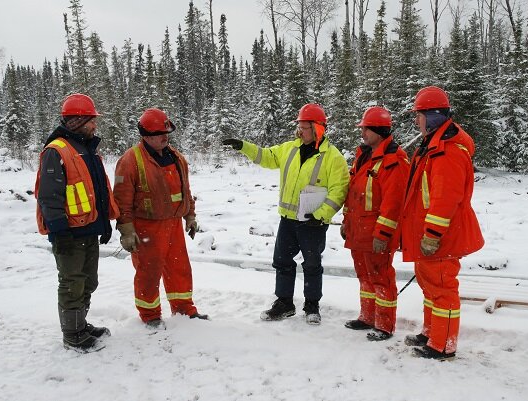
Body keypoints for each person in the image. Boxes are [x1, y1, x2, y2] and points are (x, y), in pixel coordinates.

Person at [222, 103, 349, 324]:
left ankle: (312, 306)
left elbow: (340, 190)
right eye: (298, 126)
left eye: (304, 127)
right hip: (288, 220)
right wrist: (244, 146)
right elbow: (266, 156)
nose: (300, 131)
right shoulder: (289, 149)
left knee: (311, 265)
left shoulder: (333, 157)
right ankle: (284, 303)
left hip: (314, 222)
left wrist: (320, 214)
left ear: (318, 128)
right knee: (282, 262)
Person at [401, 86, 484, 360]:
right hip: (430, 234)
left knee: (442, 290)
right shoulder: (433, 147)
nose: (416, 121)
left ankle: (443, 345)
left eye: (420, 115)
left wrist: (432, 233)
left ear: (433, 116)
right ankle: (431, 332)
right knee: (430, 287)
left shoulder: (447, 152)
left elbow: (445, 198)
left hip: (440, 236)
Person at [35, 93, 119, 352]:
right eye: (91, 120)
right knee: (72, 283)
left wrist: (104, 224)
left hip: (89, 229)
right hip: (69, 234)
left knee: (88, 281)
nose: (95, 125)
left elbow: (97, 191)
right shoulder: (57, 151)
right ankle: (72, 334)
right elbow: (49, 196)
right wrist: (60, 233)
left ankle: (80, 325)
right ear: (77, 121)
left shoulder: (87, 149)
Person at [113, 108, 206, 329]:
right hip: (146, 226)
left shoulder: (177, 157)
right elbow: (122, 198)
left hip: (173, 223)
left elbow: (185, 189)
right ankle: (150, 314)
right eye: (159, 134)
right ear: (145, 135)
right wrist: (126, 230)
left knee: (179, 268)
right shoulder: (130, 160)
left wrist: (190, 216)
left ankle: (184, 309)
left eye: (167, 133)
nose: (165, 137)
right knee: (149, 271)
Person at [341, 106, 409, 341]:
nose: (362, 133)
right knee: (364, 276)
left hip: (376, 233)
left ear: (379, 131)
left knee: (381, 278)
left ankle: (384, 324)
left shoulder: (394, 161)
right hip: (358, 230)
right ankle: (367, 317)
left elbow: (393, 204)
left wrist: (383, 234)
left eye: (366, 129)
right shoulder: (363, 155)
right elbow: (354, 192)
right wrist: (345, 221)